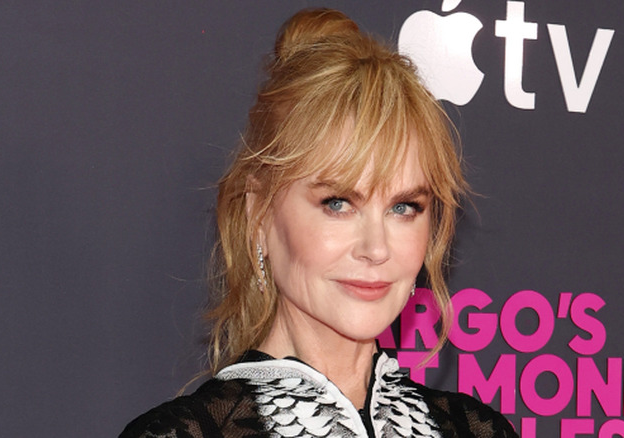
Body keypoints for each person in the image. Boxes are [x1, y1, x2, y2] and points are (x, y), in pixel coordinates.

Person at [121, 8, 518, 438]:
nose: (377, 248)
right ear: (259, 215)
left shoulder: (477, 430)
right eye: (338, 203)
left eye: (403, 208)